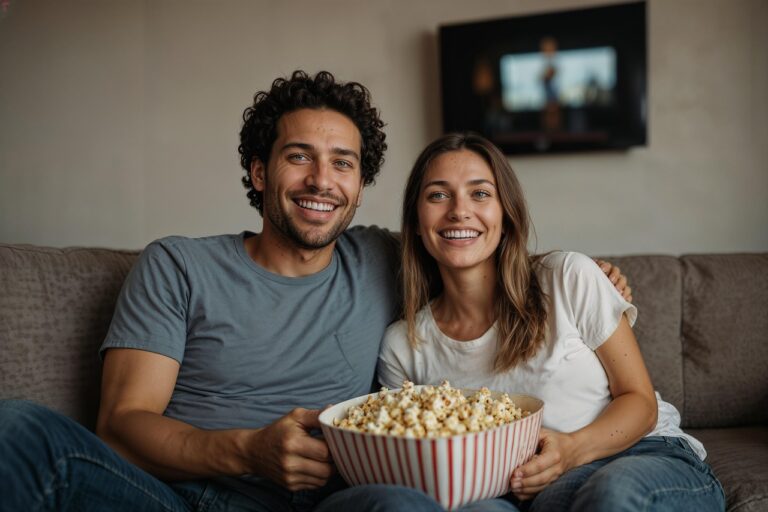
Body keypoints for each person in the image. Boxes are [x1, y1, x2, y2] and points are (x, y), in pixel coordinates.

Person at [0, 71, 629, 512]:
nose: (321, 180)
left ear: (359, 188)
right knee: (16, 427)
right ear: (259, 170)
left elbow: (468, 241)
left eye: (343, 163)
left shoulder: (383, 257)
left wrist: (580, 272)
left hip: (337, 499)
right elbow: (119, 425)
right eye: (299, 156)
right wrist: (246, 451)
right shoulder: (179, 265)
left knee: (409, 506)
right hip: (180, 495)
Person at [376, 132, 726, 511]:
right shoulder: (404, 345)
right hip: (539, 485)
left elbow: (641, 403)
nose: (459, 210)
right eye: (438, 195)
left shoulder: (566, 277)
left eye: (480, 194)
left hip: (642, 453)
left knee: (611, 495)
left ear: (506, 216)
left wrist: (571, 449)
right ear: (414, 220)